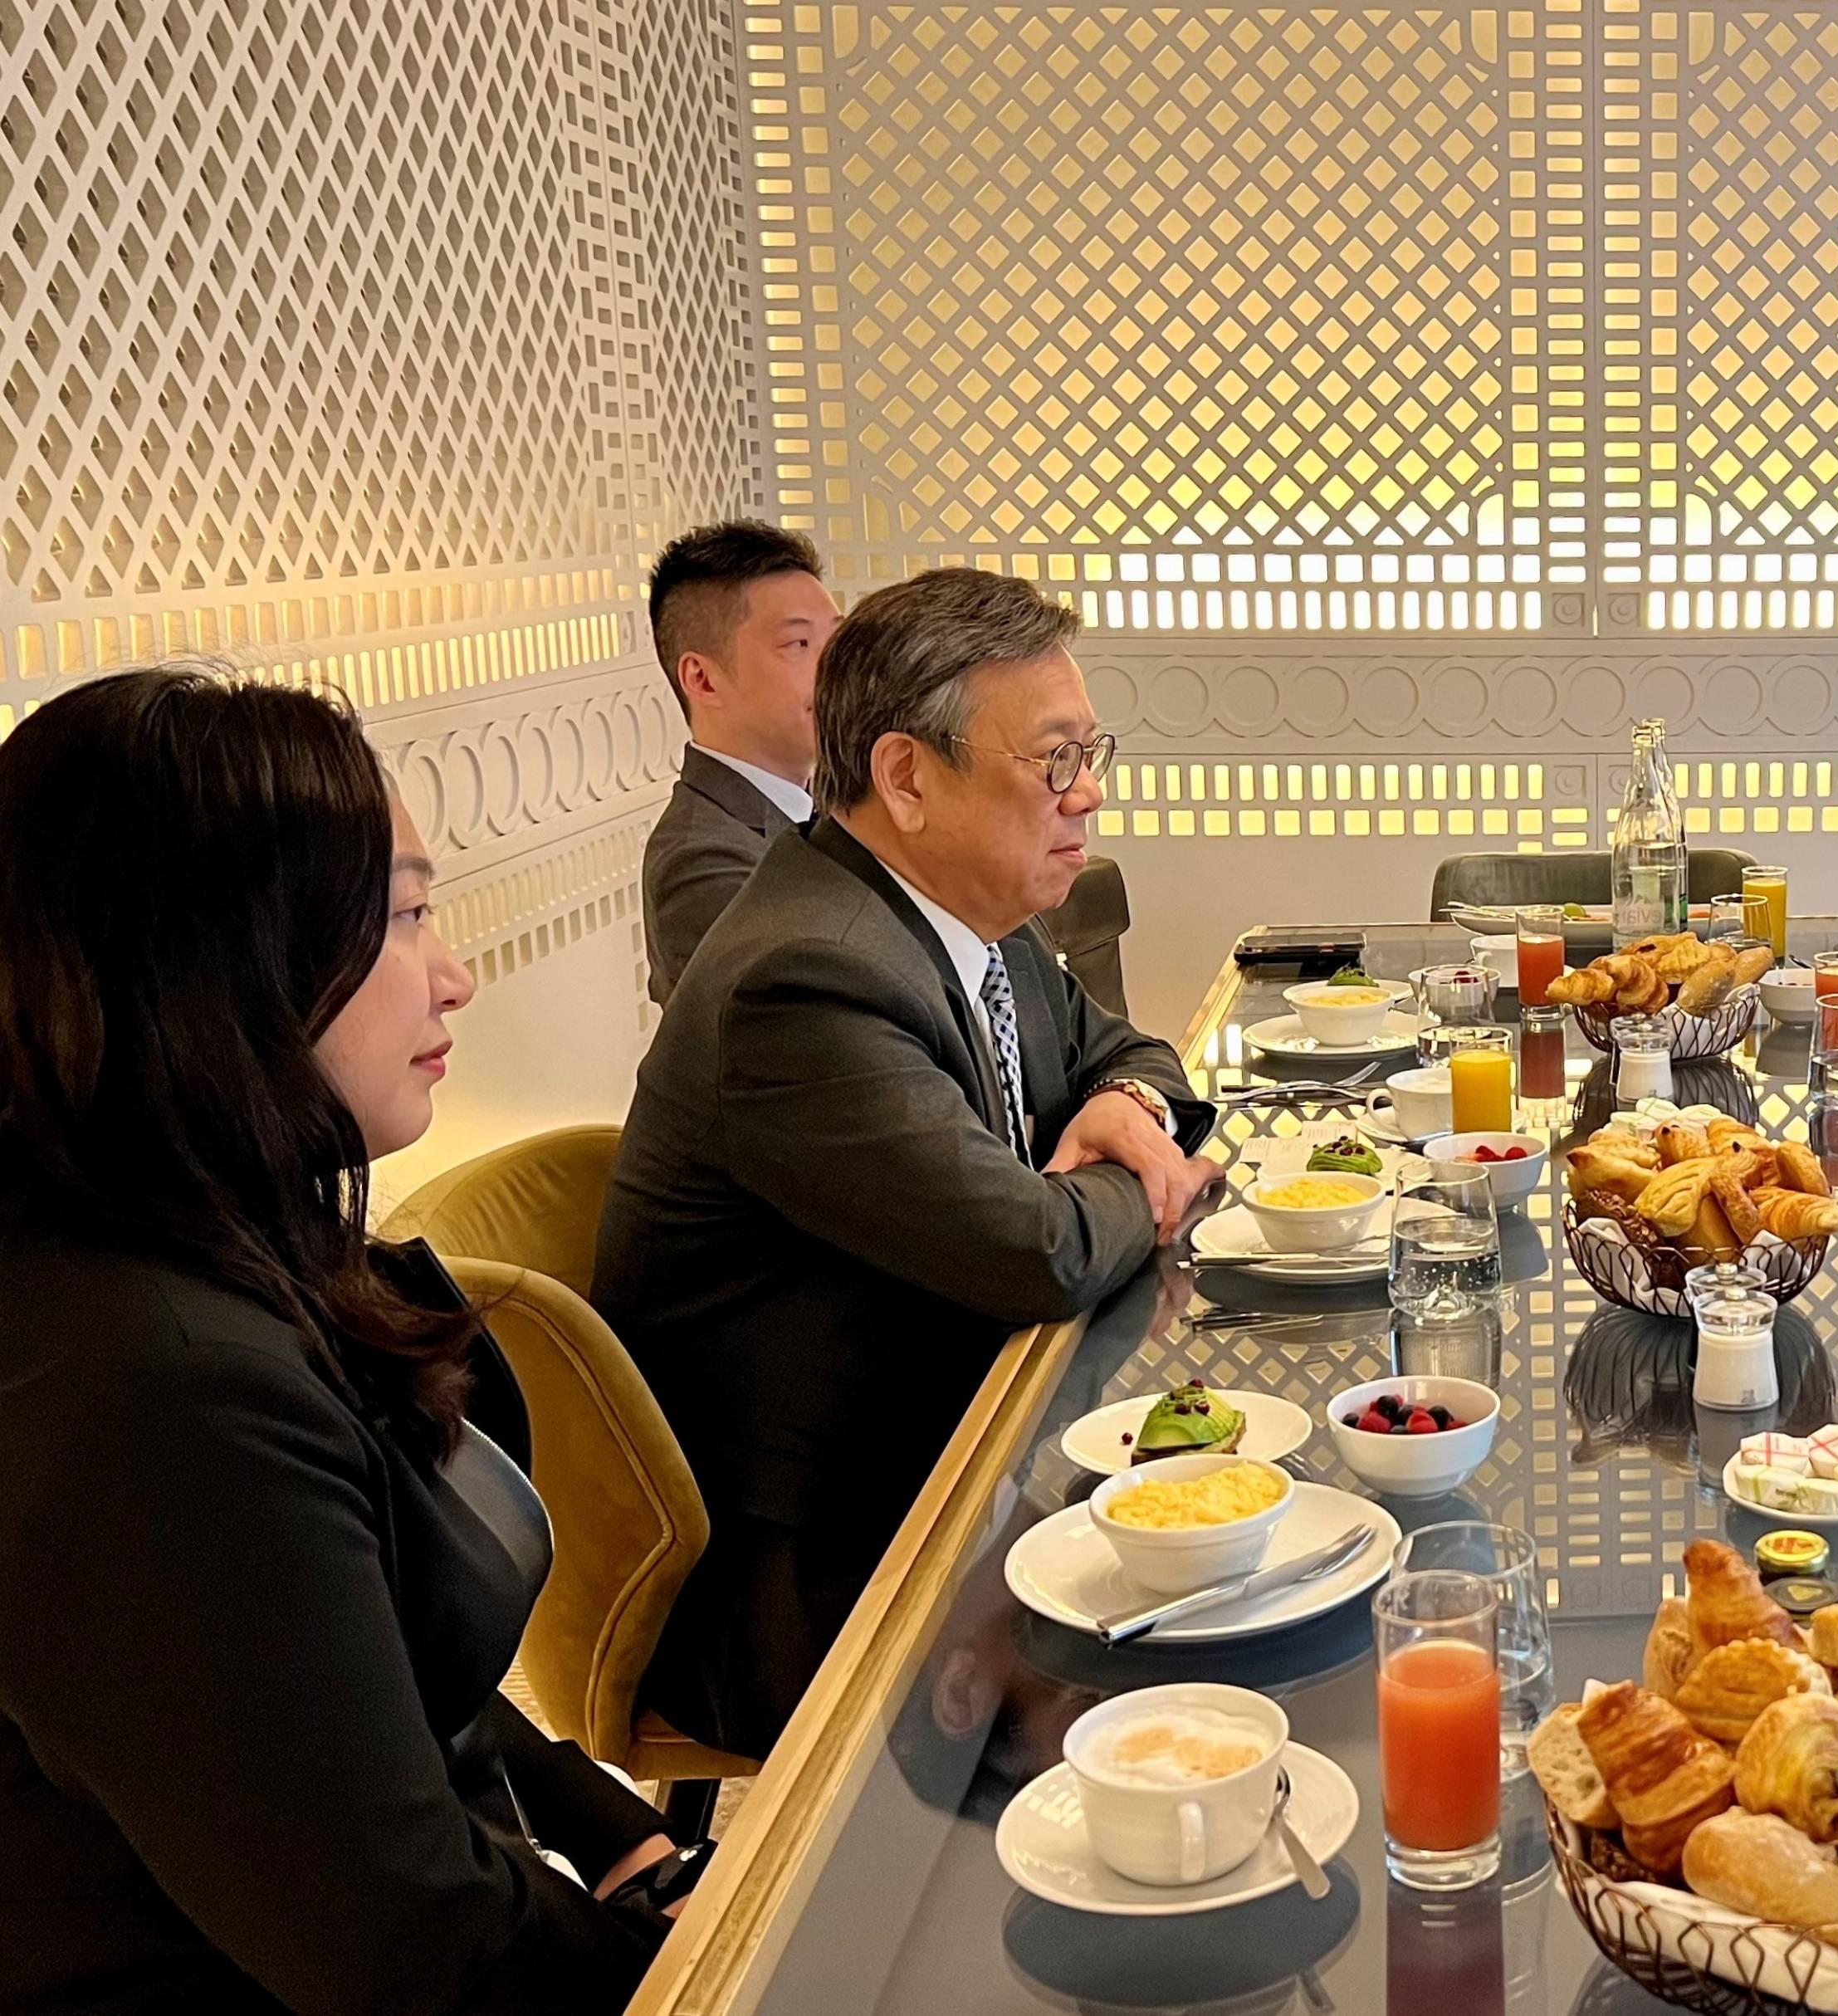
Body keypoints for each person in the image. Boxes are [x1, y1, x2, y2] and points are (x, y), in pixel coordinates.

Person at [0, 669, 697, 2015]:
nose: (457, 971)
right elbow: (407, 1942)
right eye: (411, 914)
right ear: (220, 955)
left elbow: (375, 1686)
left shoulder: (222, 1228)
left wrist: (617, 1833)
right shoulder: (153, 1389)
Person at [599, 566, 1218, 1758]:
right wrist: (1136, 1175)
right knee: (1198, 1684)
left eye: (1092, 752)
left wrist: (1124, 1108)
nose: (1087, 794)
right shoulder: (806, 976)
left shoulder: (960, 919)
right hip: (829, 1575)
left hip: (954, 1464)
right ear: (904, 776)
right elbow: (1031, 1252)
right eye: (1052, 761)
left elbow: (1140, 1052)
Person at [639, 521, 840, 1004]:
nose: (836, 667)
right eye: (799, 645)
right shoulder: (702, 864)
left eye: (836, 640)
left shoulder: (830, 802)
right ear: (703, 680)